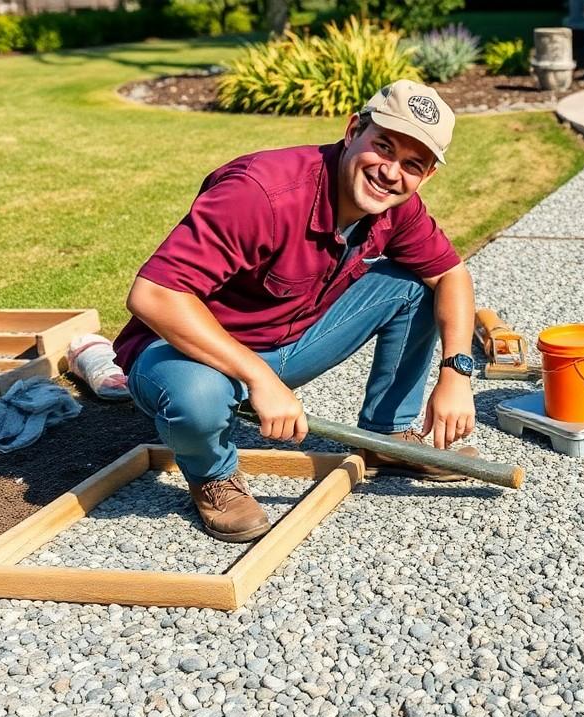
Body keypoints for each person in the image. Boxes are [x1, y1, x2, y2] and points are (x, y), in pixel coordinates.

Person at [112, 80, 480, 544]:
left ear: (425, 177)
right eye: (382, 147)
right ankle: (213, 477)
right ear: (352, 132)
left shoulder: (396, 207)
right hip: (189, 356)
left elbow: (451, 276)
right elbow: (153, 295)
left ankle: (387, 438)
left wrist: (456, 372)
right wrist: (259, 379)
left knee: (415, 286)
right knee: (198, 397)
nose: (390, 172)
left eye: (412, 164)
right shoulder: (259, 193)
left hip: (285, 345)